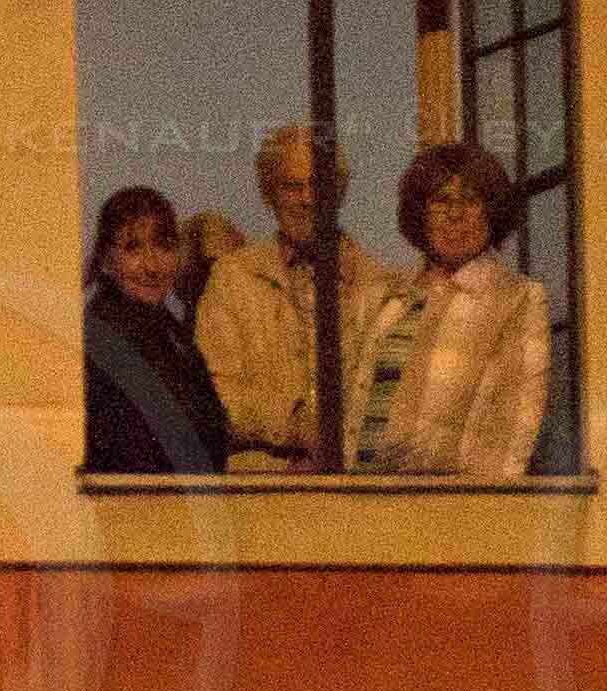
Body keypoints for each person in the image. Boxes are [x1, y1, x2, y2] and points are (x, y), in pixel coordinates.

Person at [353, 143, 553, 477]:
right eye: (441, 200)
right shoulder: (383, 296)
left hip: (446, 509)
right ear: (420, 211)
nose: (454, 213)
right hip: (358, 501)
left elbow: (515, 432)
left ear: (492, 212)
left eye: (471, 200)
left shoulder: (517, 299)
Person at [200, 123, 348, 468]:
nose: (307, 199)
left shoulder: (376, 283)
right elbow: (211, 396)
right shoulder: (233, 279)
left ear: (338, 193)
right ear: (269, 194)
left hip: (355, 486)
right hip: (262, 490)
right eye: (292, 187)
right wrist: (293, 424)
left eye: (318, 185)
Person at [83, 185, 237, 474]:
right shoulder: (104, 338)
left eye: (163, 246)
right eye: (133, 248)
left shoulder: (171, 333)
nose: (152, 266)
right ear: (105, 259)